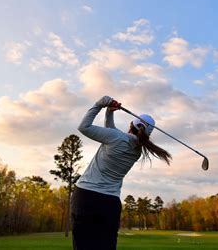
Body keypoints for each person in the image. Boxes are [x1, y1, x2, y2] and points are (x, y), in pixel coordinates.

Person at [71, 95, 172, 250]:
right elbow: (111, 132)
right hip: (110, 204)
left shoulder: (116, 138)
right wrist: (109, 112)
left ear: (132, 123)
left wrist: (99, 104)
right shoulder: (137, 150)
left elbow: (83, 127)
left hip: (87, 198)